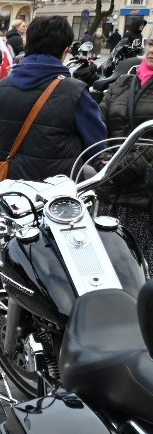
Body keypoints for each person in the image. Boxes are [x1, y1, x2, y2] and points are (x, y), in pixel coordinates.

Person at [0, 15, 107, 342]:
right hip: (56, 192)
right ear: (65, 50)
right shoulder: (73, 90)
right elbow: (97, 144)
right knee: (62, 258)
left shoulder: (3, 87)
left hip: (11, 188)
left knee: (7, 252)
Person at [95, 37, 153, 264]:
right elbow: (97, 126)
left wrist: (114, 169)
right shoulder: (123, 83)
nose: (152, 51)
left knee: (138, 267)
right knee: (106, 263)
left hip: (143, 198)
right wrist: (100, 160)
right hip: (110, 195)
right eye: (151, 44)